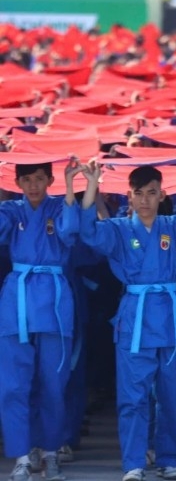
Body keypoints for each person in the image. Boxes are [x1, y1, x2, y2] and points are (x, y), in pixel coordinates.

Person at [79, 162, 176, 481]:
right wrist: (92, 186)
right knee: (132, 396)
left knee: (170, 395)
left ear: (162, 194)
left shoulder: (174, 225)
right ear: (128, 196)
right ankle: (133, 462)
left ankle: (169, 458)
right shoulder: (118, 229)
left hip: (171, 321)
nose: (146, 199)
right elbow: (88, 232)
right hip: (135, 318)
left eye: (152, 192)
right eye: (139, 193)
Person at [0, 161, 82, 481]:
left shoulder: (62, 206)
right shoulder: (11, 210)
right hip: (16, 305)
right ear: (17, 182)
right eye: (26, 180)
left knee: (53, 384)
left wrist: (72, 188)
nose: (33, 185)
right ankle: (22, 456)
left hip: (53, 304)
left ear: (50, 179)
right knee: (14, 386)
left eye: (38, 179)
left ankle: (50, 452)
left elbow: (70, 233)